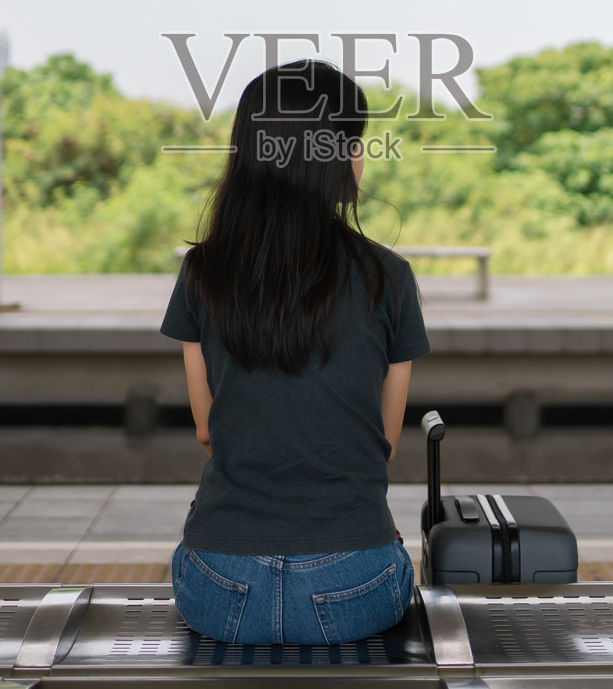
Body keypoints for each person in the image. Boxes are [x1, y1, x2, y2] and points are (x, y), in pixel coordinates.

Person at [160, 58, 432, 645]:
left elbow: (208, 432)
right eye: (356, 143)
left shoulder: (203, 272)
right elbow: (381, 446)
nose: (361, 157)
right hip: (356, 581)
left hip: (218, 583)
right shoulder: (388, 277)